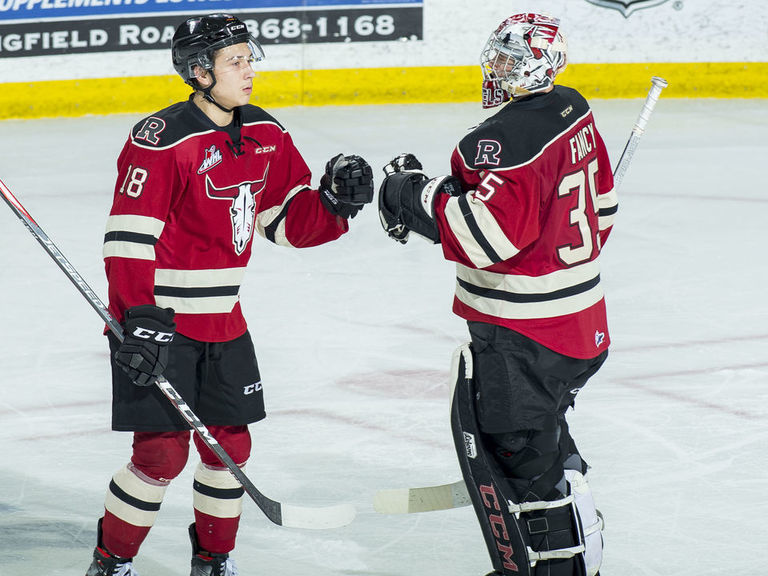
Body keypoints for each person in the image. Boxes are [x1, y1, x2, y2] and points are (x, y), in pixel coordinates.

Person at [86, 13, 373, 576]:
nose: (249, 72)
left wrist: (337, 204)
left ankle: (214, 561)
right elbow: (127, 241)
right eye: (235, 61)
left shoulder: (266, 133)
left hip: (225, 323)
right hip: (160, 325)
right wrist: (138, 320)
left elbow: (287, 222)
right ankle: (110, 562)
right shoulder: (163, 139)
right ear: (199, 71)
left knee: (228, 451)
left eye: (250, 58)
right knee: (160, 455)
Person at [378, 13, 616, 576]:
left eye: (510, 60)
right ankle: (578, 544)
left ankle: (560, 567)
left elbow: (482, 236)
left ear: (536, 66)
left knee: (519, 454)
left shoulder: (498, 140)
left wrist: (413, 193)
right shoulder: (574, 108)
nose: (498, 67)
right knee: (543, 444)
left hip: (525, 332)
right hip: (581, 320)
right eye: (499, 55)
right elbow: (602, 210)